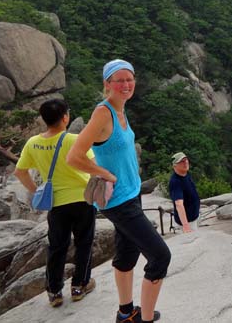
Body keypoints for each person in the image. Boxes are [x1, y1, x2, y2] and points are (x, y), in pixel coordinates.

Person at [67, 59, 170, 323]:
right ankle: (144, 319)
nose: (126, 85)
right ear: (107, 84)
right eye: (119, 80)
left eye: (129, 79)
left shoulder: (121, 110)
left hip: (130, 193)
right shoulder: (103, 113)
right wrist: (105, 174)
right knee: (160, 256)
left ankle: (126, 313)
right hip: (118, 202)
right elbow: (74, 157)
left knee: (127, 254)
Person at [14, 98, 97, 307]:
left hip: (55, 204)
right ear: (65, 117)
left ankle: (54, 292)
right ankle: (79, 286)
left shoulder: (33, 143)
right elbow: (92, 167)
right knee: (84, 243)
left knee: (57, 247)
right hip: (82, 199)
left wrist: (36, 191)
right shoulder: (75, 140)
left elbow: (20, 172)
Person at [168, 152, 200, 233]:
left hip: (194, 217)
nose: (185, 163)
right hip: (187, 222)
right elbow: (179, 204)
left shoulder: (186, 173)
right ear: (175, 165)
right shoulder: (175, 181)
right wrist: (186, 226)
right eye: (181, 161)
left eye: (186, 160)